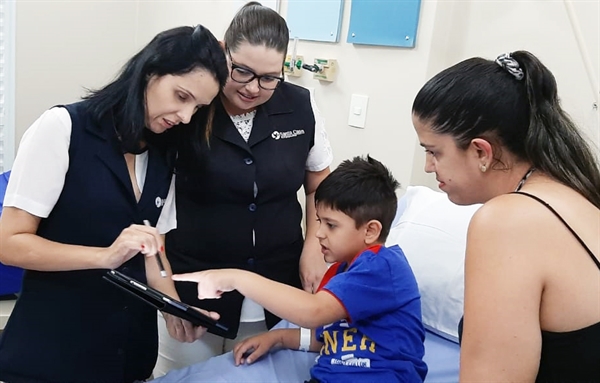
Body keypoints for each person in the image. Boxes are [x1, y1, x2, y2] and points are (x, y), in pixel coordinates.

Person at [0, 25, 228, 383]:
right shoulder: (63, 128)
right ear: (149, 72)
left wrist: (172, 309)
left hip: (128, 356)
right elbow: (10, 243)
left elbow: (154, 251)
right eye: (181, 96)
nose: (185, 116)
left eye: (198, 108)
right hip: (52, 352)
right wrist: (103, 257)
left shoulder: (163, 151)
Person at [155, 1, 333, 374]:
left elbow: (319, 184)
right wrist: (167, 297)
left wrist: (313, 247)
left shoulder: (300, 106)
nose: (254, 88)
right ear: (224, 51)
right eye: (243, 72)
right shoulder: (190, 107)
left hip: (276, 285)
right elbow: (152, 211)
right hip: (194, 288)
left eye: (269, 77)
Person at [412, 50, 600, 382]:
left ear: (481, 151)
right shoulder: (575, 191)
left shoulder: (507, 222)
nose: (429, 167)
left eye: (433, 151)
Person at [172, 155, 428, 382]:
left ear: (371, 230)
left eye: (331, 225)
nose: (319, 234)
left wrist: (237, 278)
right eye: (318, 222)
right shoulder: (342, 272)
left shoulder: (382, 268)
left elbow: (313, 312)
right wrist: (279, 338)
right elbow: (327, 337)